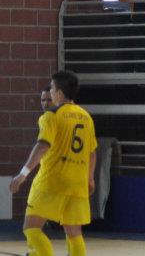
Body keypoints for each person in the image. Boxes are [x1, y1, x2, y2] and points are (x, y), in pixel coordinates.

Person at [9, 71, 97, 256]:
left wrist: (23, 174)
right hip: (78, 183)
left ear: (59, 93)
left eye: (52, 89)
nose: (50, 92)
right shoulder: (86, 117)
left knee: (31, 228)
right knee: (74, 233)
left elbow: (42, 146)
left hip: (52, 181)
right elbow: (92, 153)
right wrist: (90, 178)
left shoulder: (52, 115)